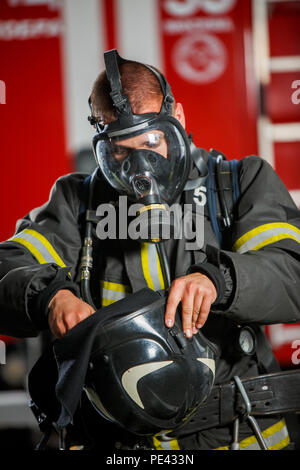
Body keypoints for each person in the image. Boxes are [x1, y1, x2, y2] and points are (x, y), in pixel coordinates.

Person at [1, 49, 300, 451]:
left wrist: (219, 280)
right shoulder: (78, 202)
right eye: (120, 152)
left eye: (152, 142)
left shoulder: (238, 184)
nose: (140, 168)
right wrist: (50, 296)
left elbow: (291, 272)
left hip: (235, 435)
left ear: (178, 119)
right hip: (123, 445)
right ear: (102, 146)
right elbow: (8, 265)